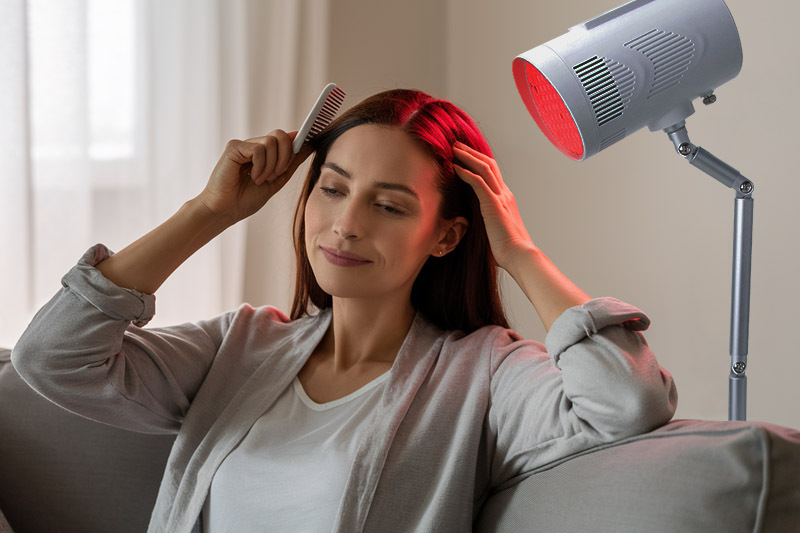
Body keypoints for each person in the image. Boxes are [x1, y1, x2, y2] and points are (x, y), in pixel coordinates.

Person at [11, 89, 678, 532]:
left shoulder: (486, 374)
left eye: (388, 204)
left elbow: (625, 401)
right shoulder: (242, 347)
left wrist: (521, 252)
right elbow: (52, 357)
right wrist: (208, 212)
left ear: (446, 234)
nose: (345, 224)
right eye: (332, 189)